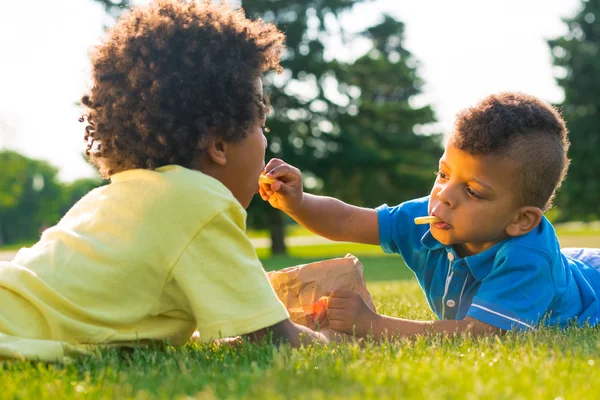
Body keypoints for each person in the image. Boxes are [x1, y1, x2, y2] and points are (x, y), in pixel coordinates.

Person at [0, 0, 327, 362]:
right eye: (261, 125)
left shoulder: (113, 198)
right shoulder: (201, 202)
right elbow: (276, 339)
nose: (265, 142)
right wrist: (333, 338)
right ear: (219, 145)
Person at [260, 92, 600, 338]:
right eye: (444, 174)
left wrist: (373, 325)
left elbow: (477, 334)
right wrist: (298, 202)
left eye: (473, 191)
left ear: (521, 220)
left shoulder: (529, 258)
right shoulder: (431, 216)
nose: (444, 196)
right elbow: (348, 220)